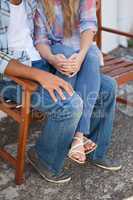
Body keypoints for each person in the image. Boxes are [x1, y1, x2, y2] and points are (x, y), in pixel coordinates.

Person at [0, 0, 84, 183]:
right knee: (71, 105)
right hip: (10, 79)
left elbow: (43, 37)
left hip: (38, 62)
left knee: (105, 84)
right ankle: (44, 158)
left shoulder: (29, 3)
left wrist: (55, 59)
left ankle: (77, 139)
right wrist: (40, 76)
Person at [34, 0, 122, 170]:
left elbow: (88, 26)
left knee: (106, 81)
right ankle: (74, 140)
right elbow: (41, 40)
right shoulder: (39, 4)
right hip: (57, 60)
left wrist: (80, 56)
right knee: (67, 53)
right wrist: (53, 59)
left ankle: (85, 142)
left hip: (83, 54)